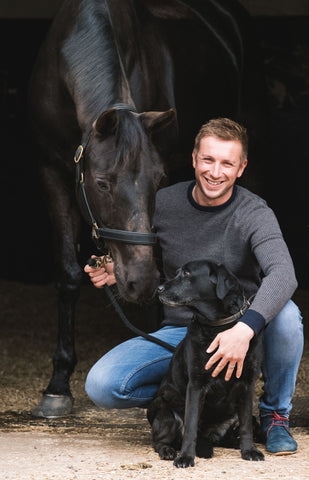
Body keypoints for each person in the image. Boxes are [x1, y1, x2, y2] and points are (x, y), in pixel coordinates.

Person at [84, 118, 303, 455]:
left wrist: (244, 330)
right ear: (193, 159)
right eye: (208, 159)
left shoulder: (254, 212)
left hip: (240, 328)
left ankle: (275, 415)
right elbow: (155, 267)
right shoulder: (163, 203)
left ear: (241, 167)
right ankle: (192, 401)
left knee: (287, 316)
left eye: (227, 163)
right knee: (103, 385)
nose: (216, 172)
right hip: (182, 332)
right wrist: (117, 269)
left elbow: (284, 275)